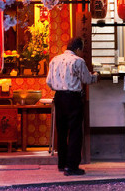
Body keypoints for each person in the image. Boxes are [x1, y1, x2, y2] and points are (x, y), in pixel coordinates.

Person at [46, 37, 98, 176]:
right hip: (73, 98)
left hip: (59, 97)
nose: (82, 53)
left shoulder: (55, 60)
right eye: (82, 50)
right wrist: (96, 75)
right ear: (78, 49)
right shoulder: (78, 61)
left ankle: (62, 164)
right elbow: (87, 79)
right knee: (75, 132)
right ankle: (72, 166)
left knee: (61, 131)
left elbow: (49, 82)